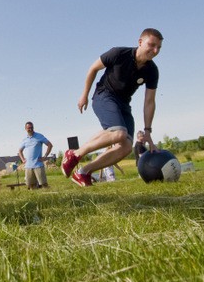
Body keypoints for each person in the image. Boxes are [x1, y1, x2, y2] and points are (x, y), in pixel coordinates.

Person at [62, 28, 163, 187]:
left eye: (159, 47)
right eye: (152, 45)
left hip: (123, 104)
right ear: (140, 42)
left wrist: (148, 131)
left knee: (126, 147)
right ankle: (74, 154)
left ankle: (83, 172)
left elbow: (149, 101)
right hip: (104, 95)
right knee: (119, 134)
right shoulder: (118, 53)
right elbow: (93, 68)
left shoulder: (152, 71)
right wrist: (84, 94)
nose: (155, 50)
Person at [17, 122, 54, 190]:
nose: (30, 129)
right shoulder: (25, 140)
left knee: (44, 185)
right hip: (28, 166)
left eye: (31, 128)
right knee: (31, 186)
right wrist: (23, 159)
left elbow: (50, 145)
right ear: (25, 129)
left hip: (38, 165)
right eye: (28, 128)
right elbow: (20, 151)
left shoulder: (39, 136)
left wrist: (45, 156)